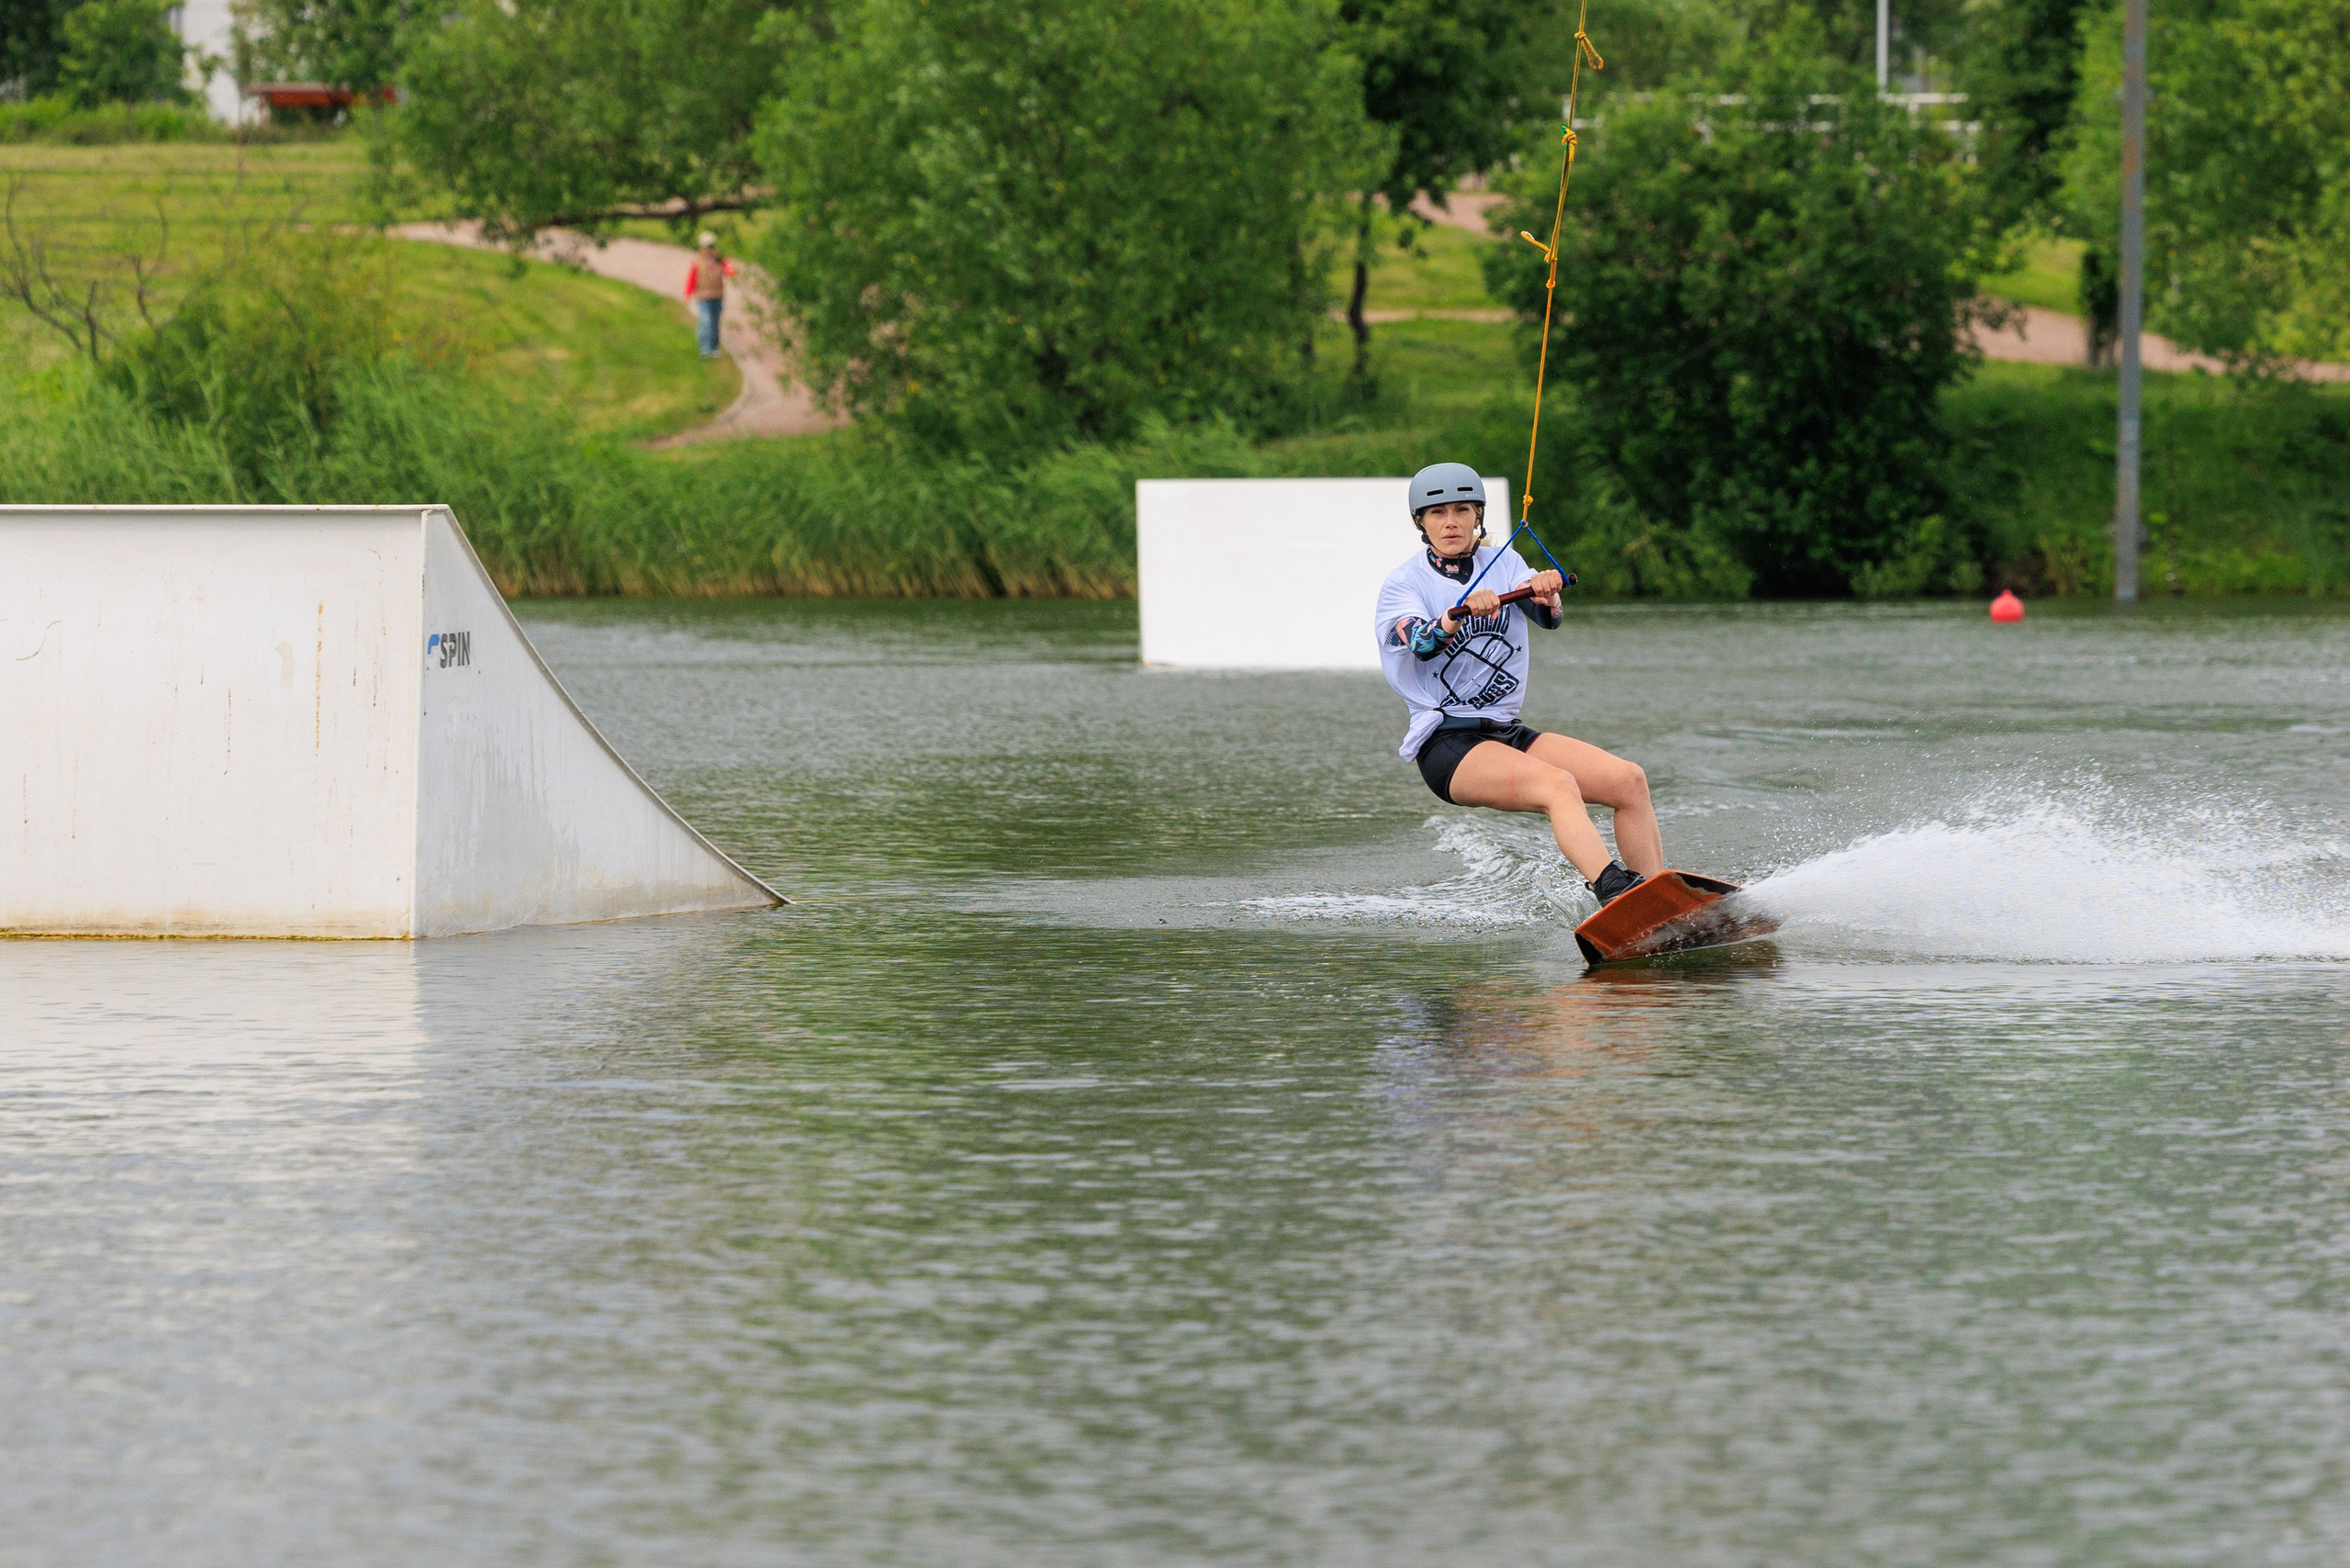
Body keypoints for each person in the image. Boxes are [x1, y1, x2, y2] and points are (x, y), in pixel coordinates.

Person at [1373, 462, 1662, 907]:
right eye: (1438, 513)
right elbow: (1420, 641)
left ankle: (1658, 896)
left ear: (1478, 518)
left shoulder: (1504, 561)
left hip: (1506, 731)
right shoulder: (1403, 584)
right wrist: (1457, 612)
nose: (1450, 522)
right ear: (1421, 522)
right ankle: (1615, 893)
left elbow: (1548, 619)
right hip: (1447, 742)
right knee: (1557, 785)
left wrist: (1547, 592)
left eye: (1461, 510)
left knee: (1629, 781)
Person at [682, 232, 738, 360]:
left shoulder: (719, 259)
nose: (709, 249)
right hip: (703, 296)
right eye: (706, 246)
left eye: (711, 246)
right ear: (702, 247)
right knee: (705, 320)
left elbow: (729, 269)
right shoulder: (697, 261)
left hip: (717, 295)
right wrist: (688, 293)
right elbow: (692, 278)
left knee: (715, 322)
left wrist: (732, 272)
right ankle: (704, 347)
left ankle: (714, 347)